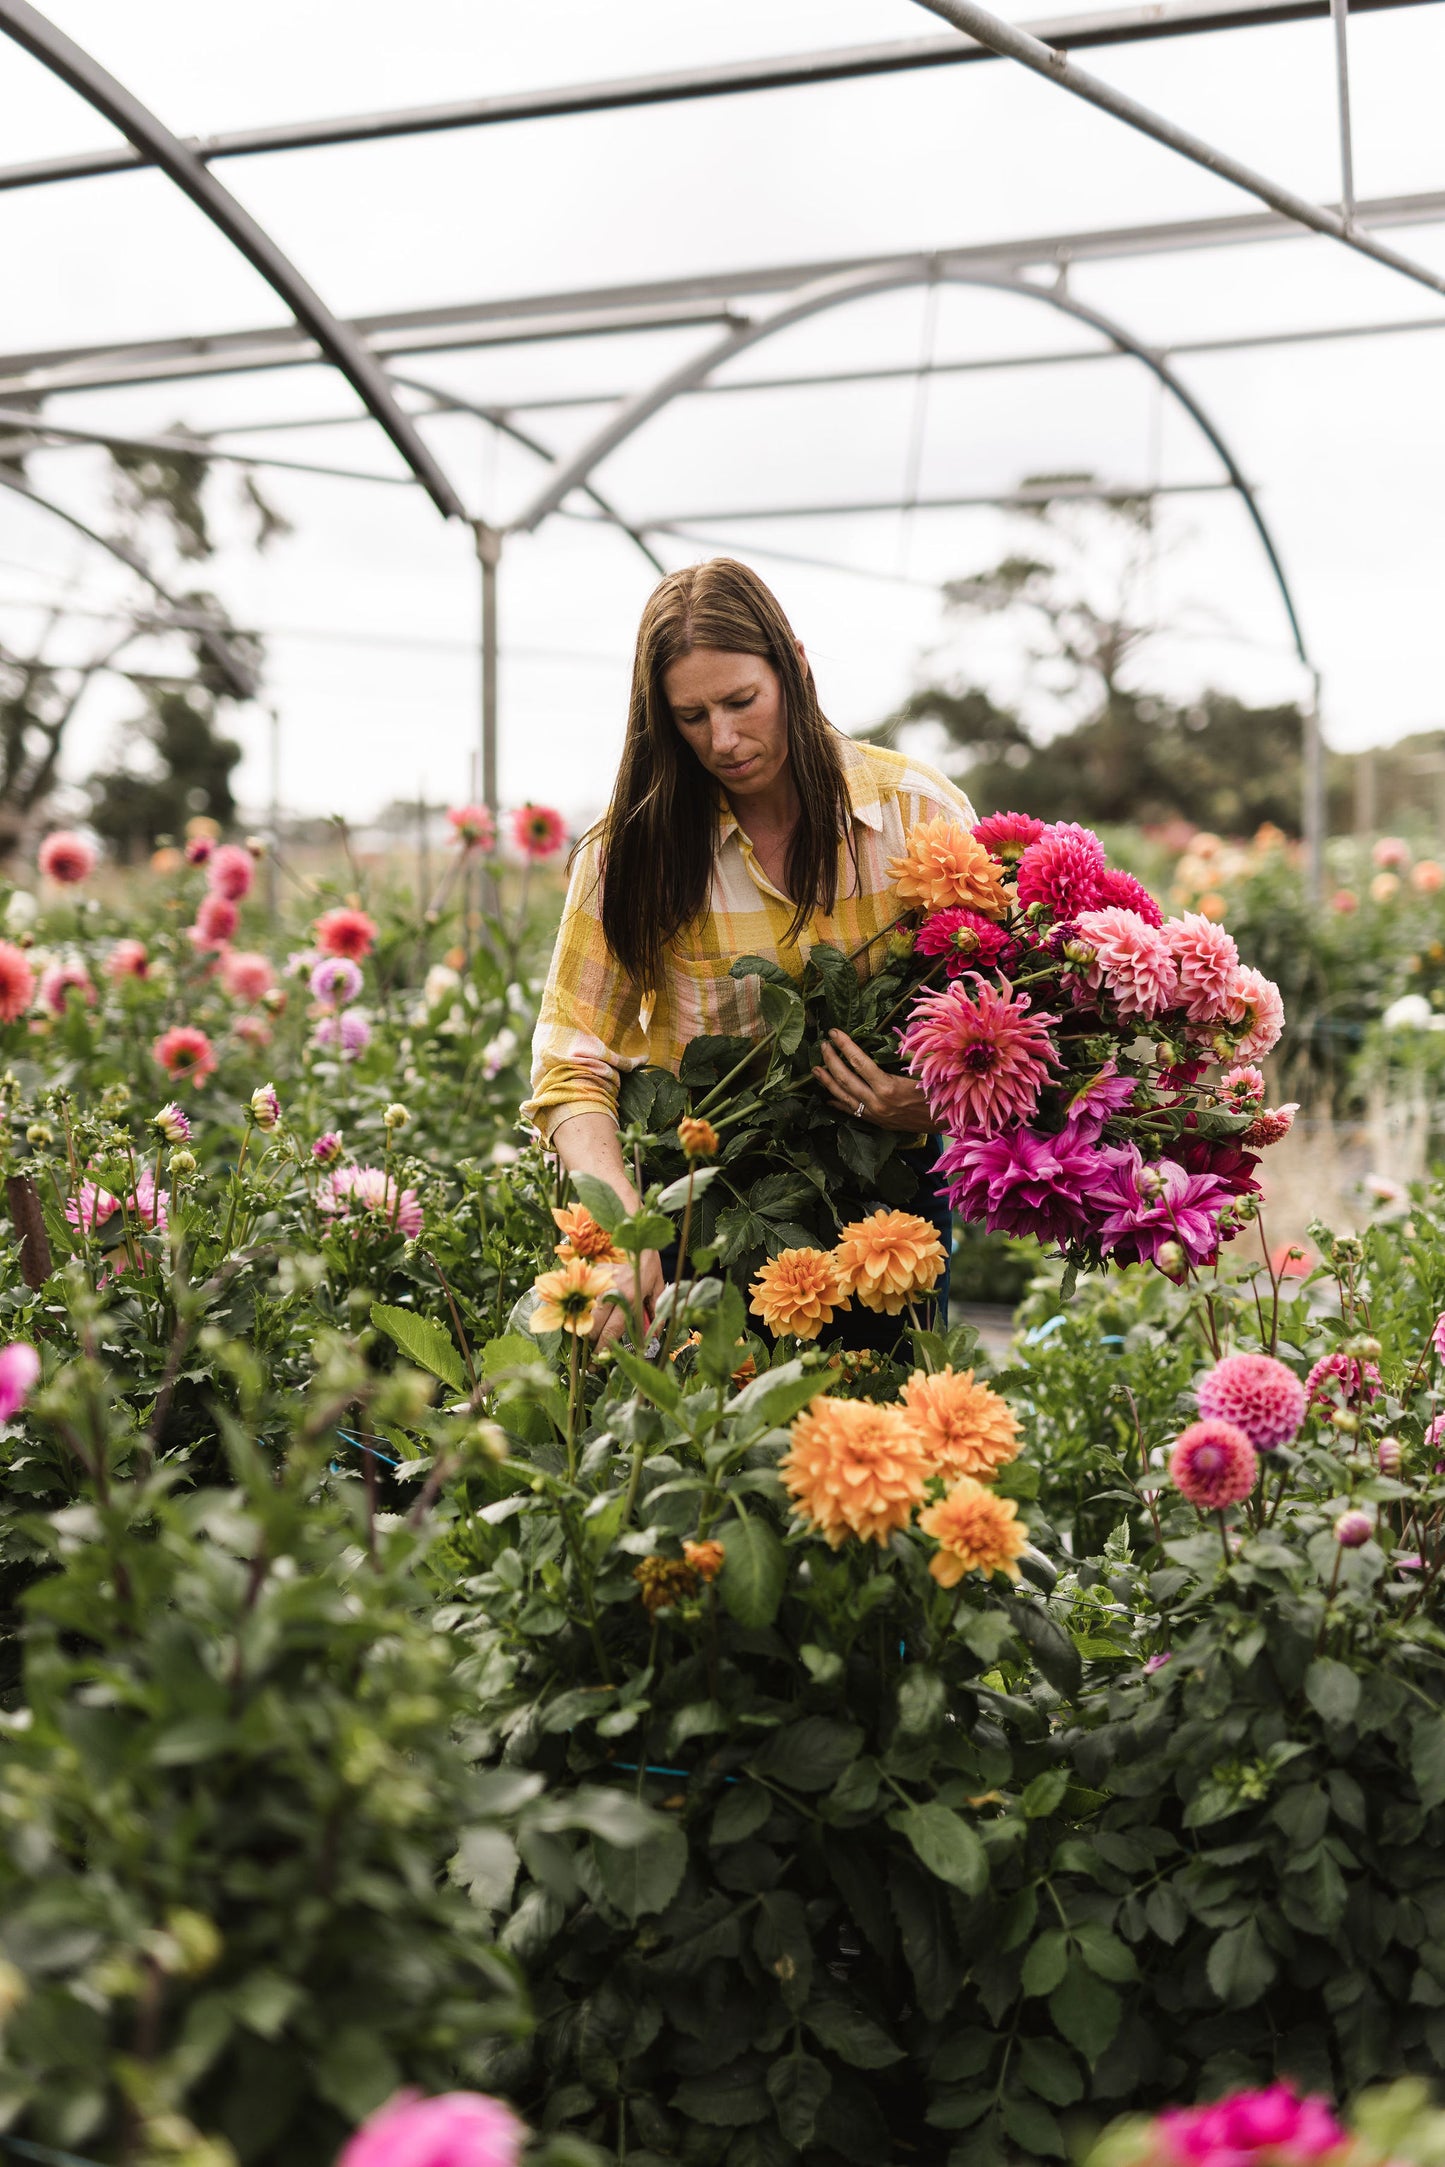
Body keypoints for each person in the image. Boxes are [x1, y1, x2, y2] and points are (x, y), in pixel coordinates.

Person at [522, 558, 976, 1342]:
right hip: (700, 1211)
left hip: (883, 1215)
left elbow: (1009, 1034)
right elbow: (570, 1059)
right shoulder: (634, 853)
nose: (723, 740)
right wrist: (625, 1230)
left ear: (793, 668)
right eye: (690, 717)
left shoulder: (916, 816)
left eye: (741, 702)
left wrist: (933, 1100)